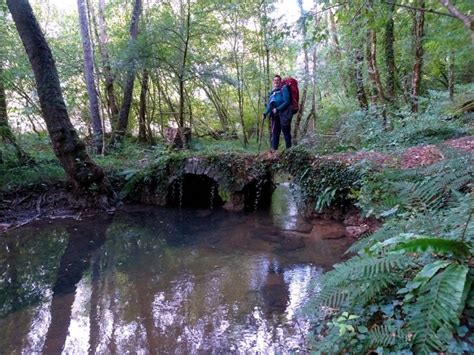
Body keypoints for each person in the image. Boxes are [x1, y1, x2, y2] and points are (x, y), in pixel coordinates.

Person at [262, 75, 293, 151]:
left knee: (286, 133)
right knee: (275, 133)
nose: (276, 81)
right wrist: (265, 113)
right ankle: (273, 151)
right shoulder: (272, 92)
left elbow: (287, 101)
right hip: (275, 115)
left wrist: (278, 109)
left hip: (284, 114)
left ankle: (289, 151)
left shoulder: (284, 88)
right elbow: (270, 105)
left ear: (280, 81)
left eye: (278, 80)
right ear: (273, 82)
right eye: (275, 80)